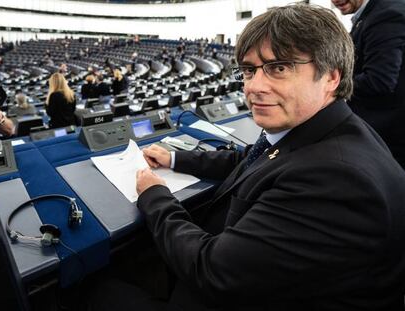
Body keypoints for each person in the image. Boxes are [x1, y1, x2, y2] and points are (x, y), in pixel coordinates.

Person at [87, 4, 405, 311]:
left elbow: (210, 272)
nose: (254, 87)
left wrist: (155, 195)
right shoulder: (325, 127)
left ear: (331, 77)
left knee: (94, 289)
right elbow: (253, 158)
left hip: (220, 287)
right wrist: (174, 160)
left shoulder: (335, 180)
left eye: (279, 68)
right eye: (249, 71)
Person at [331, 0, 405, 169]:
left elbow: (379, 80)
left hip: (390, 138)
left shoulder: (385, 15)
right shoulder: (373, 14)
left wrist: (329, 86)